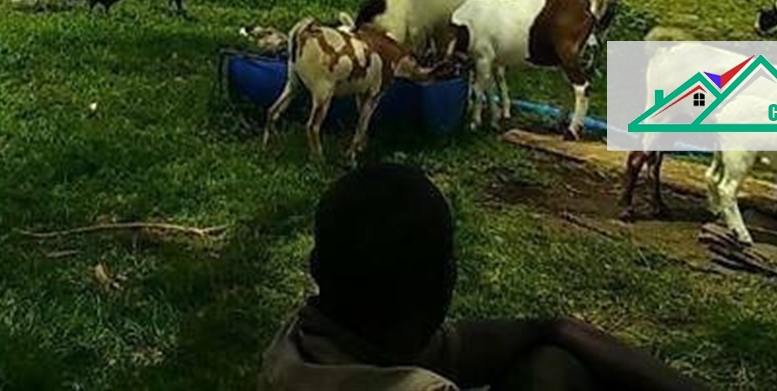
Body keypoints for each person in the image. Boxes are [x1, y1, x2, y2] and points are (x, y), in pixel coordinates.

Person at [260, 163, 707, 391]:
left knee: (549, 361)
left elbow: (465, 345)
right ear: (445, 286)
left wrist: (557, 327)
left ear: (316, 269)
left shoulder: (299, 348)